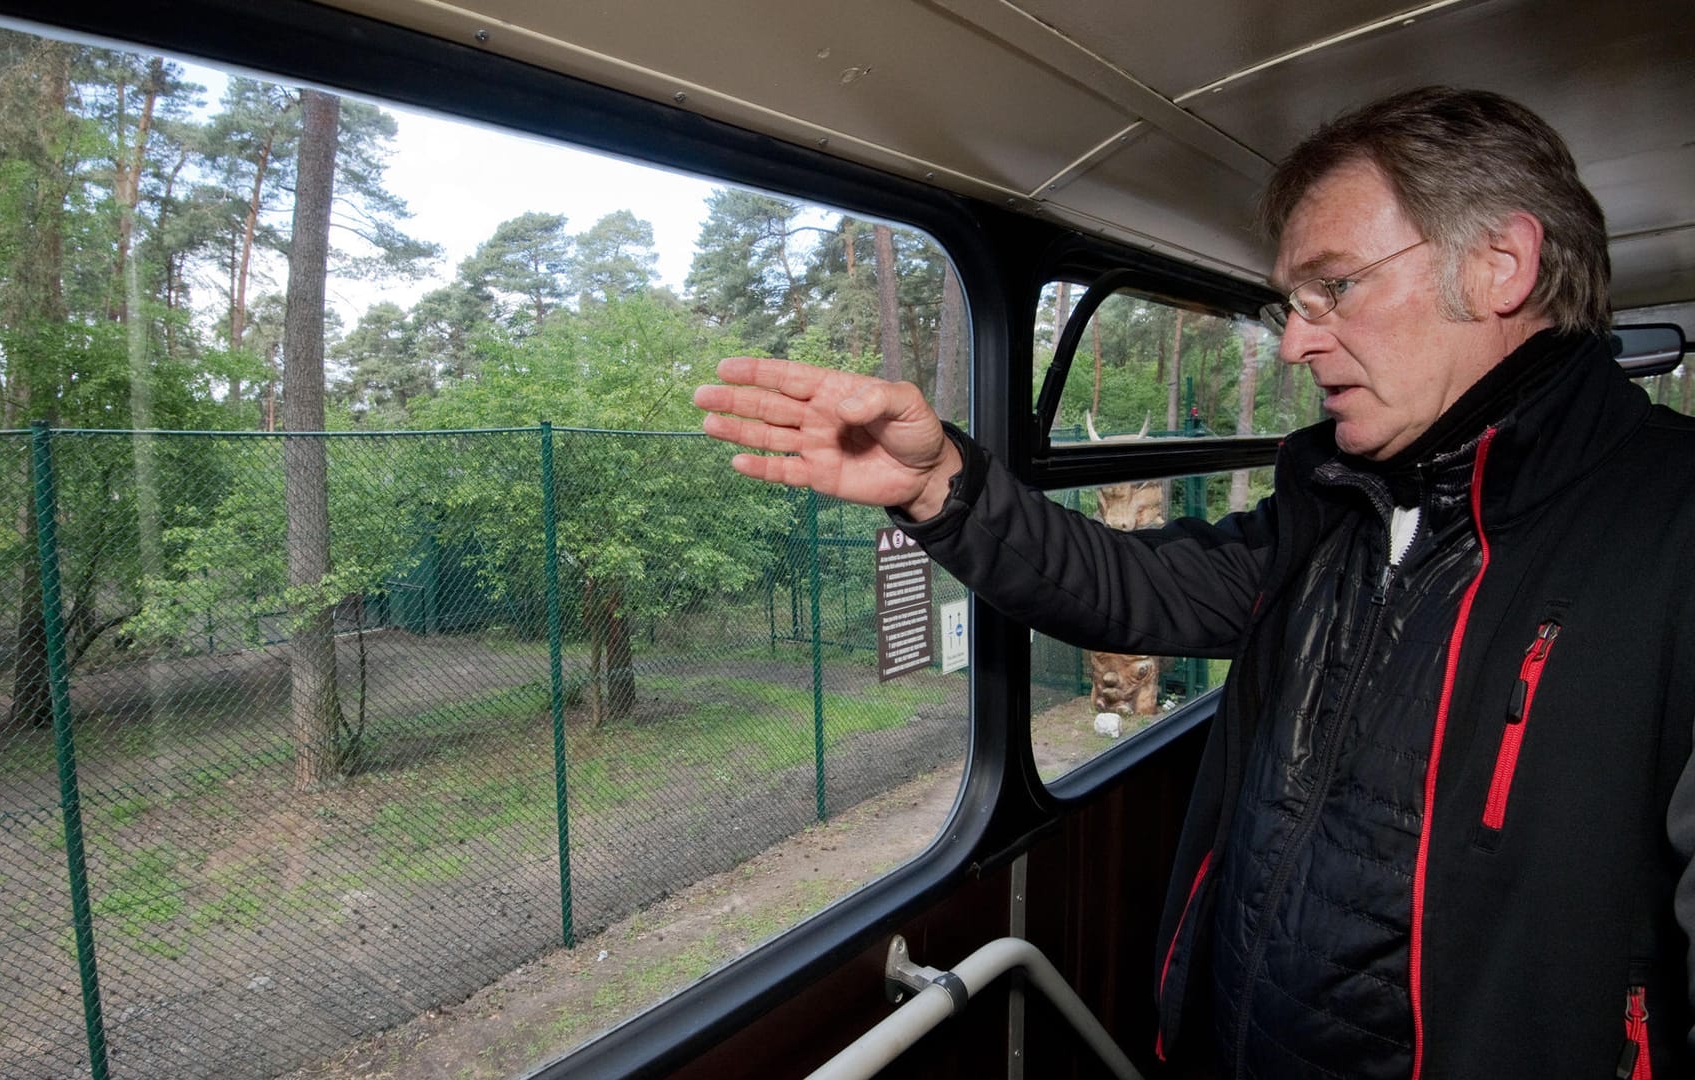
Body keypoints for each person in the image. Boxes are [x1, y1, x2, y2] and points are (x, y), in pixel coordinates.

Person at [694, 87, 1695, 1078]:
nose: (1297, 341)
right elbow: (1130, 587)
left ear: (1501, 265)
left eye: (1334, 288)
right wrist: (939, 486)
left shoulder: (1669, 533)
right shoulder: (1336, 513)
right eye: (1289, 306)